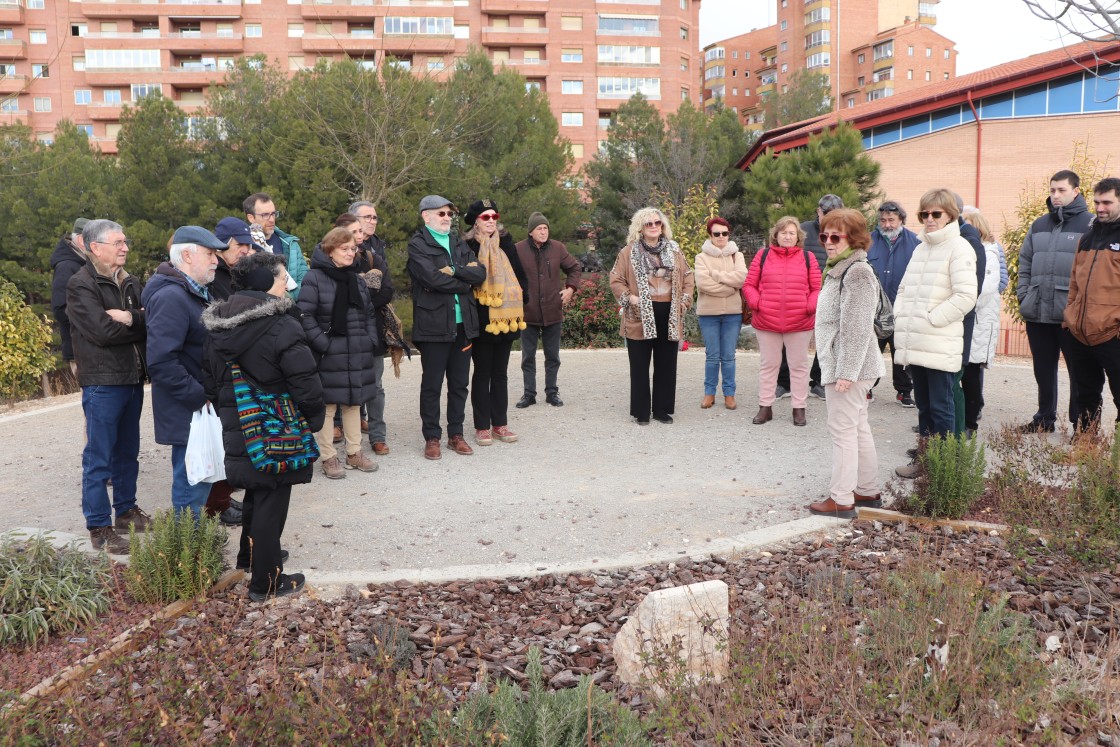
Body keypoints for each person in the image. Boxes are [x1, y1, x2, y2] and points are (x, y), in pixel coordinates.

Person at [202, 251, 325, 602]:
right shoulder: (281, 323)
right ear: (266, 283)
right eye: (284, 277)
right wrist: (312, 418)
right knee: (272, 497)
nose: (288, 283)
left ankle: (250, 558)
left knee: (257, 490)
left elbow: (208, 378)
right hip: (275, 427)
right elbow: (304, 380)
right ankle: (266, 583)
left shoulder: (217, 324)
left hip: (236, 422)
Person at [67, 219, 151, 554]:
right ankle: (99, 526)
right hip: (103, 381)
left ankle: (127, 511)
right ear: (95, 247)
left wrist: (130, 317)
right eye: (118, 242)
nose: (125, 247)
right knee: (99, 457)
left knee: (128, 451)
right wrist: (136, 322)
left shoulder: (129, 281)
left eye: (125, 241)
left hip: (131, 377)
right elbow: (102, 332)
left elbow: (151, 318)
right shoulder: (80, 284)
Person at [893, 189, 978, 478]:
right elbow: (903, 289)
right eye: (924, 214)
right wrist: (901, 315)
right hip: (916, 339)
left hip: (939, 341)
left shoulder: (960, 247)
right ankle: (926, 461)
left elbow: (966, 296)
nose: (929, 219)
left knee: (942, 408)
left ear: (950, 215)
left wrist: (932, 319)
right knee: (925, 407)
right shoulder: (921, 248)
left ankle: (945, 469)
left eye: (936, 214)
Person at [808, 209, 886, 518]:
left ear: (853, 238)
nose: (828, 241)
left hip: (850, 368)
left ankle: (841, 499)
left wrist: (846, 373)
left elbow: (857, 327)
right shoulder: (840, 268)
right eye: (824, 235)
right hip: (850, 366)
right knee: (857, 427)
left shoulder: (857, 272)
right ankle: (866, 491)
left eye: (835, 236)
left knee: (842, 430)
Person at [142, 226, 224, 516]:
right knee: (191, 489)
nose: (216, 260)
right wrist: (199, 397)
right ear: (187, 255)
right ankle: (189, 557)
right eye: (210, 254)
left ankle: (194, 552)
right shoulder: (172, 297)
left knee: (200, 485)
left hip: (197, 408)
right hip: (190, 410)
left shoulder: (192, 292)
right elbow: (162, 362)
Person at [407, 195, 487, 459]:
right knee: (432, 384)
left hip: (463, 324)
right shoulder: (418, 244)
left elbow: (480, 274)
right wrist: (464, 280)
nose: (447, 218)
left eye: (450, 214)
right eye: (441, 213)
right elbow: (430, 278)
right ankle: (432, 437)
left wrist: (453, 271)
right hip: (433, 326)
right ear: (426, 216)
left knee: (459, 383)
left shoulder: (457, 242)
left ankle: (456, 435)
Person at [298, 226, 380, 478]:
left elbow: (368, 314)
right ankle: (329, 457)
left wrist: (369, 340)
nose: (350, 253)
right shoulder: (314, 278)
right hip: (329, 352)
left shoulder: (356, 278)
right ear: (330, 250)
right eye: (344, 249)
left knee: (354, 401)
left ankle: (354, 453)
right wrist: (323, 344)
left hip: (357, 349)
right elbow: (305, 315)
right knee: (329, 404)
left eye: (353, 249)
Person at [1017, 169, 1091, 433]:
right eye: (1052, 190)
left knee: (1079, 375)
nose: (1056, 195)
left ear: (1076, 191)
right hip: (1037, 312)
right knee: (1043, 372)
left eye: (1061, 190)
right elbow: (1024, 262)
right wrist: (1024, 295)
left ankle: (1079, 425)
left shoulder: (1091, 225)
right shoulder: (1038, 225)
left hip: (1071, 317)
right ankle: (1044, 420)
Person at [609, 207, 694, 425]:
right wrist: (630, 298)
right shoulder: (629, 252)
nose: (654, 226)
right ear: (641, 227)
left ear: (663, 226)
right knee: (639, 365)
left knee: (666, 364)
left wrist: (684, 301)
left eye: (658, 223)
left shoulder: (675, 250)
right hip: (640, 314)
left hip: (669, 313)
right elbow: (616, 279)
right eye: (649, 224)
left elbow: (687, 277)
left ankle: (661, 410)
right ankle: (641, 412)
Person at [463, 199, 529, 445]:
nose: (491, 221)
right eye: (485, 217)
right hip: (482, 318)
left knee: (500, 374)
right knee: (482, 372)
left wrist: (523, 296)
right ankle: (482, 426)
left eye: (494, 216)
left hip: (506, 317)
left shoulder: (507, 243)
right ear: (476, 221)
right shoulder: (467, 245)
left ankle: (500, 423)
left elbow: (520, 274)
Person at [744, 216, 821, 426]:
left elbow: (816, 288)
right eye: (783, 232)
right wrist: (757, 303)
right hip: (767, 321)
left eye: (791, 233)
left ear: (798, 237)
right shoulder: (763, 255)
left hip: (799, 322)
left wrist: (809, 307)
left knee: (799, 366)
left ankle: (799, 409)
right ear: (776, 235)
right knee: (769, 365)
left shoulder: (808, 258)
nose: (787, 236)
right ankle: (765, 407)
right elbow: (749, 285)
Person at [1062, 177, 1120, 433]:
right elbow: (1074, 282)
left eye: (1107, 202)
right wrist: (1070, 316)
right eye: (1097, 202)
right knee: (1085, 396)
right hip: (1081, 334)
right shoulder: (1087, 238)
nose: (1100, 208)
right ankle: (1086, 446)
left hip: (1112, 334)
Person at [514, 212, 582, 408]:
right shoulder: (518, 249)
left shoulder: (558, 248)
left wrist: (570, 289)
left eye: (545, 228)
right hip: (527, 311)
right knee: (528, 356)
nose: (543, 232)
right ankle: (529, 394)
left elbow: (574, 268)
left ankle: (552, 392)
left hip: (553, 310)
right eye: (539, 228)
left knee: (553, 356)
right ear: (531, 232)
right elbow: (508, 273)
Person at [349, 200, 393, 455]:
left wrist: (365, 304)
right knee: (348, 383)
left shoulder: (377, 250)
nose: (372, 221)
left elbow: (386, 290)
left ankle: (378, 435)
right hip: (347, 329)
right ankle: (346, 432)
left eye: (375, 217)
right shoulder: (337, 250)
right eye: (367, 217)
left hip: (373, 324)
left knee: (375, 384)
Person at [866, 200, 920, 406]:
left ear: (901, 220)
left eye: (891, 220)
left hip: (903, 309)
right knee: (871, 352)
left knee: (902, 353)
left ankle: (904, 391)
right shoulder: (868, 240)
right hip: (874, 309)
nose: (887, 224)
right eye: (883, 220)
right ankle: (867, 386)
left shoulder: (916, 242)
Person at [694, 217, 747, 410]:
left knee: (729, 356)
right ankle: (709, 393)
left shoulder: (737, 256)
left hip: (733, 314)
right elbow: (702, 283)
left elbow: (741, 278)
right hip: (708, 314)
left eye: (724, 233)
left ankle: (729, 394)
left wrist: (715, 275)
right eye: (717, 233)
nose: (721, 237)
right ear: (710, 235)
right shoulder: (701, 258)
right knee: (712, 356)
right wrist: (729, 286)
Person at [962, 209, 1003, 436]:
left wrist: (958, 304)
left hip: (977, 322)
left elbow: (985, 289)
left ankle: (970, 423)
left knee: (971, 372)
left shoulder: (989, 253)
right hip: (962, 319)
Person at [243, 192, 309, 296]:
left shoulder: (291, 245)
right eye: (265, 215)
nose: (272, 219)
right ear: (251, 218)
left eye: (273, 214)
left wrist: (287, 297)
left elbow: (306, 282)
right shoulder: (244, 247)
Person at [51, 217, 90, 377]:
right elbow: (61, 309)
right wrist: (96, 318)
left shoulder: (83, 262)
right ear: (81, 239)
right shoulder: (67, 266)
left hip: (91, 346)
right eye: (95, 239)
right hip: (81, 349)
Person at [210, 217, 258, 302]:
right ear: (222, 243)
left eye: (247, 245)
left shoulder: (243, 271)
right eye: (239, 245)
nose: (245, 251)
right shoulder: (210, 274)